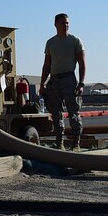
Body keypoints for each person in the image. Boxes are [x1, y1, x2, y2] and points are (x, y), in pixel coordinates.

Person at [39, 13, 86, 150]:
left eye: (67, 23)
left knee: (73, 112)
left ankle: (76, 143)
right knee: (56, 113)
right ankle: (60, 143)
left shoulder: (75, 41)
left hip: (69, 79)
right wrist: (42, 84)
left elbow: (82, 63)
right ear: (55, 25)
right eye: (62, 23)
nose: (66, 25)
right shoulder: (50, 42)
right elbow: (46, 65)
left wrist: (81, 84)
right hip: (54, 81)